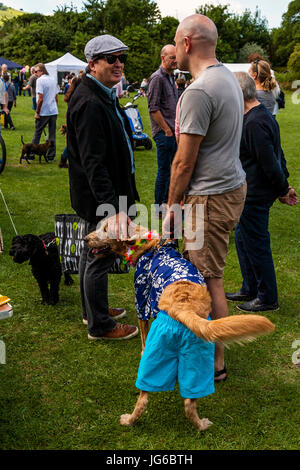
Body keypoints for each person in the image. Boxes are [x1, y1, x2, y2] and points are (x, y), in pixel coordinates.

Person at [163, 14, 247, 383]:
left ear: (186, 44)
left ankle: (215, 362)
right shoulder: (226, 76)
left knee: (207, 278)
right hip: (229, 188)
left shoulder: (197, 91)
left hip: (209, 198)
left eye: (175, 42)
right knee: (207, 271)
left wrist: (170, 208)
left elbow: (183, 162)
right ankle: (206, 352)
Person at [67, 34, 139, 340]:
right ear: (92, 63)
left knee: (90, 253)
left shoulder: (99, 94)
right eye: (111, 58)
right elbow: (93, 163)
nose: (119, 64)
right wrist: (113, 210)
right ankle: (100, 325)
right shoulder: (89, 101)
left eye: (121, 58)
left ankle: (92, 311)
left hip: (98, 195)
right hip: (101, 198)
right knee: (101, 255)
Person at [225, 72, 298, 312]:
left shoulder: (255, 121)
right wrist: (283, 184)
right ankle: (250, 288)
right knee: (243, 240)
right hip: (249, 192)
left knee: (256, 244)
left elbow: (270, 161)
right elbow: (278, 155)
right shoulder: (256, 116)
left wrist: (282, 189)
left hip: (254, 195)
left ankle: (267, 297)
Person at [147, 44, 178, 216]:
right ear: (163, 58)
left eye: (176, 57)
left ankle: (166, 204)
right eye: (172, 57)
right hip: (164, 133)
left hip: (172, 132)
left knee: (172, 170)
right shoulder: (157, 78)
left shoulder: (170, 77)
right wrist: (166, 130)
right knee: (164, 171)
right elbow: (153, 108)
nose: (175, 61)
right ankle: (158, 208)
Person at [31, 63, 58, 161]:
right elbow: (56, 97)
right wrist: (55, 107)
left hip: (44, 112)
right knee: (52, 134)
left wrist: (37, 112)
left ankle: (32, 154)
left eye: (36, 71)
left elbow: (40, 99)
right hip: (53, 110)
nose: (35, 73)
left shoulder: (40, 81)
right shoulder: (53, 79)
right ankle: (51, 156)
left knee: (37, 133)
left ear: (42, 71)